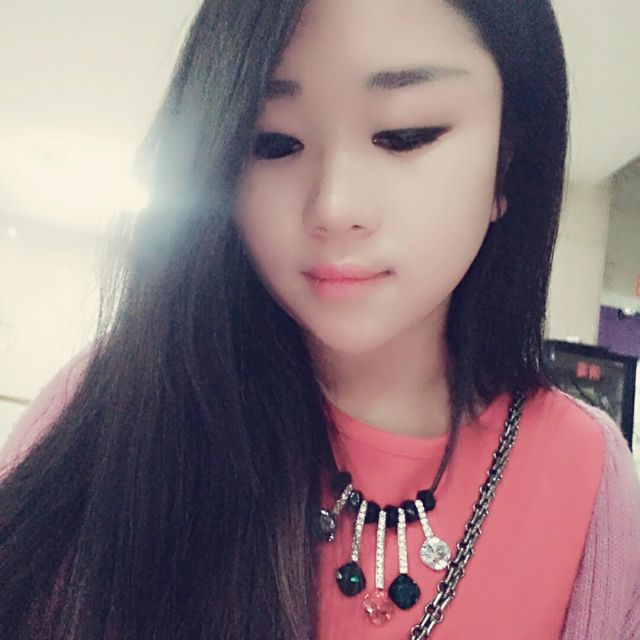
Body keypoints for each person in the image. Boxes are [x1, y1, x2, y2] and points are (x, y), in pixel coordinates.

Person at [1, 0, 639, 638]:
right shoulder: (114, 406)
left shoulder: (583, 471)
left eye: (405, 135)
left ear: (508, 164)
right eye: (272, 143)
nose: (333, 207)